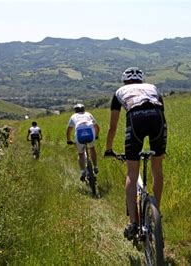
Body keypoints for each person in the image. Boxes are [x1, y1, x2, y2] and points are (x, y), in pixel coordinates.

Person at [104, 67, 167, 240]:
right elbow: (162, 111)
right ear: (142, 80)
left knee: (132, 172)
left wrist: (108, 149)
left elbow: (112, 126)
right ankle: (156, 214)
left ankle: (133, 223)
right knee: (157, 167)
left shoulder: (119, 92)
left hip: (135, 117)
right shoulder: (153, 88)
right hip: (157, 118)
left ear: (125, 81)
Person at [67, 103, 100, 182]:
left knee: (81, 154)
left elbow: (68, 130)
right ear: (84, 109)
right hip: (90, 133)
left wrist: (68, 140)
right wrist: (96, 135)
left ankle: (83, 173)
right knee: (92, 148)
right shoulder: (89, 114)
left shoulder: (73, 116)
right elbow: (97, 127)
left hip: (79, 134)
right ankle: (95, 167)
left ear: (75, 111)